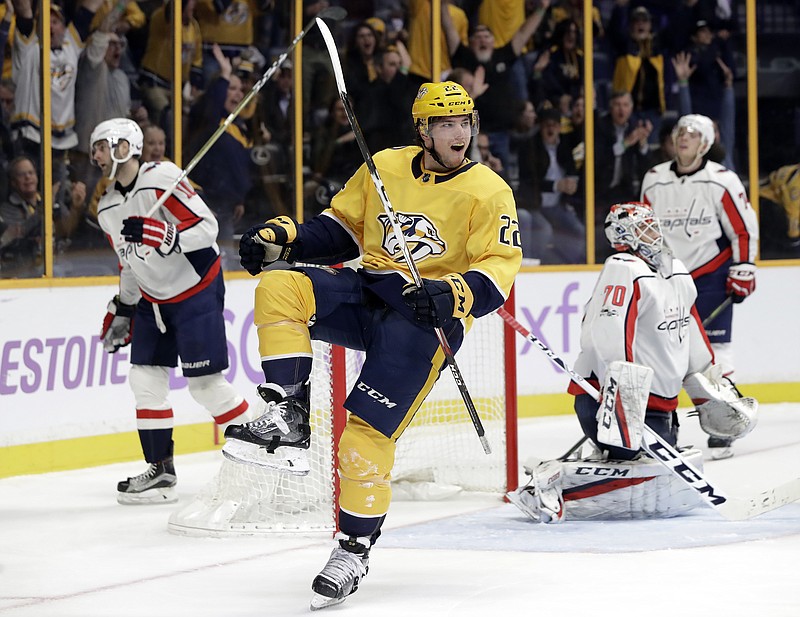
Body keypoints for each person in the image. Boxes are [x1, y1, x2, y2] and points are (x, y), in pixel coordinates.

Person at [223, 81, 521, 609]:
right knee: (279, 285)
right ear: (423, 131)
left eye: (466, 122)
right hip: (370, 290)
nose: (461, 133)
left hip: (424, 324)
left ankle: (353, 550)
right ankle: (288, 412)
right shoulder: (384, 164)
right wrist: (284, 235)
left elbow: (497, 275)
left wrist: (450, 291)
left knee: (362, 440)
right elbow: (339, 231)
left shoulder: (489, 191)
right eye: (447, 123)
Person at [506, 202, 757, 523]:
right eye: (644, 227)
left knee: (667, 473)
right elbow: (605, 333)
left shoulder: (675, 272)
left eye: (654, 225)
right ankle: (552, 481)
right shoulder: (623, 268)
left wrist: (710, 391)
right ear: (624, 235)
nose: (654, 233)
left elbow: (692, 336)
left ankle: (602, 461)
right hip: (610, 400)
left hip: (658, 408)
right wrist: (622, 397)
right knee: (649, 469)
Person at [89, 117, 254, 504]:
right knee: (144, 379)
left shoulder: (161, 178)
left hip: (195, 288)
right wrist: (126, 306)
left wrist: (166, 235)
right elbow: (128, 263)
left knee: (205, 386)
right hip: (152, 299)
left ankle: (260, 457)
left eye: (101, 145)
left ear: (123, 146)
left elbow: (208, 229)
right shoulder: (108, 207)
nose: (95, 154)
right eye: (94, 148)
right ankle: (160, 471)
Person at [640, 114, 759, 459]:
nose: (683, 138)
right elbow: (644, 227)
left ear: (705, 143)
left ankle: (726, 422)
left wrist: (744, 267)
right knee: (662, 354)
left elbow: (742, 228)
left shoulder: (721, 180)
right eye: (680, 132)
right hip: (668, 277)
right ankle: (661, 424)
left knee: (713, 354)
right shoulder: (654, 179)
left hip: (711, 278)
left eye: (692, 134)